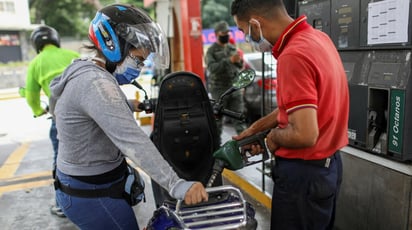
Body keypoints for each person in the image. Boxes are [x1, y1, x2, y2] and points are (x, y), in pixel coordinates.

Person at [49, 4, 208, 229]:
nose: (140, 67)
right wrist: (177, 186)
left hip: (92, 185)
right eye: (138, 59)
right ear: (114, 46)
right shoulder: (96, 83)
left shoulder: (88, 70)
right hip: (93, 194)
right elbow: (133, 141)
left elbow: (94, 111)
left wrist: (132, 105)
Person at [230, 0, 349, 230]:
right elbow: (299, 107)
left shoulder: (293, 55)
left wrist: (272, 138)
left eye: (244, 31)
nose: (247, 38)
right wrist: (257, 128)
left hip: (303, 178)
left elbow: (305, 134)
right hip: (328, 167)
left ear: (256, 24)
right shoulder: (318, 38)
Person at [24, 25, 80, 217]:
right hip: (89, 113)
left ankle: (61, 205)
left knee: (60, 159)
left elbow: (31, 96)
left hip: (61, 118)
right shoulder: (72, 54)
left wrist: (39, 110)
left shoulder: (36, 63)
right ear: (56, 39)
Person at [205, 20, 246, 144]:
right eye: (224, 33)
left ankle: (246, 144)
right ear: (217, 34)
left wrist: (239, 61)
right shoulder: (211, 51)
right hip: (219, 90)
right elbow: (212, 68)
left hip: (234, 89)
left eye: (228, 32)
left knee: (239, 119)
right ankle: (217, 149)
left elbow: (239, 66)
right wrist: (229, 60)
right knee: (217, 122)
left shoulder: (232, 47)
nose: (226, 35)